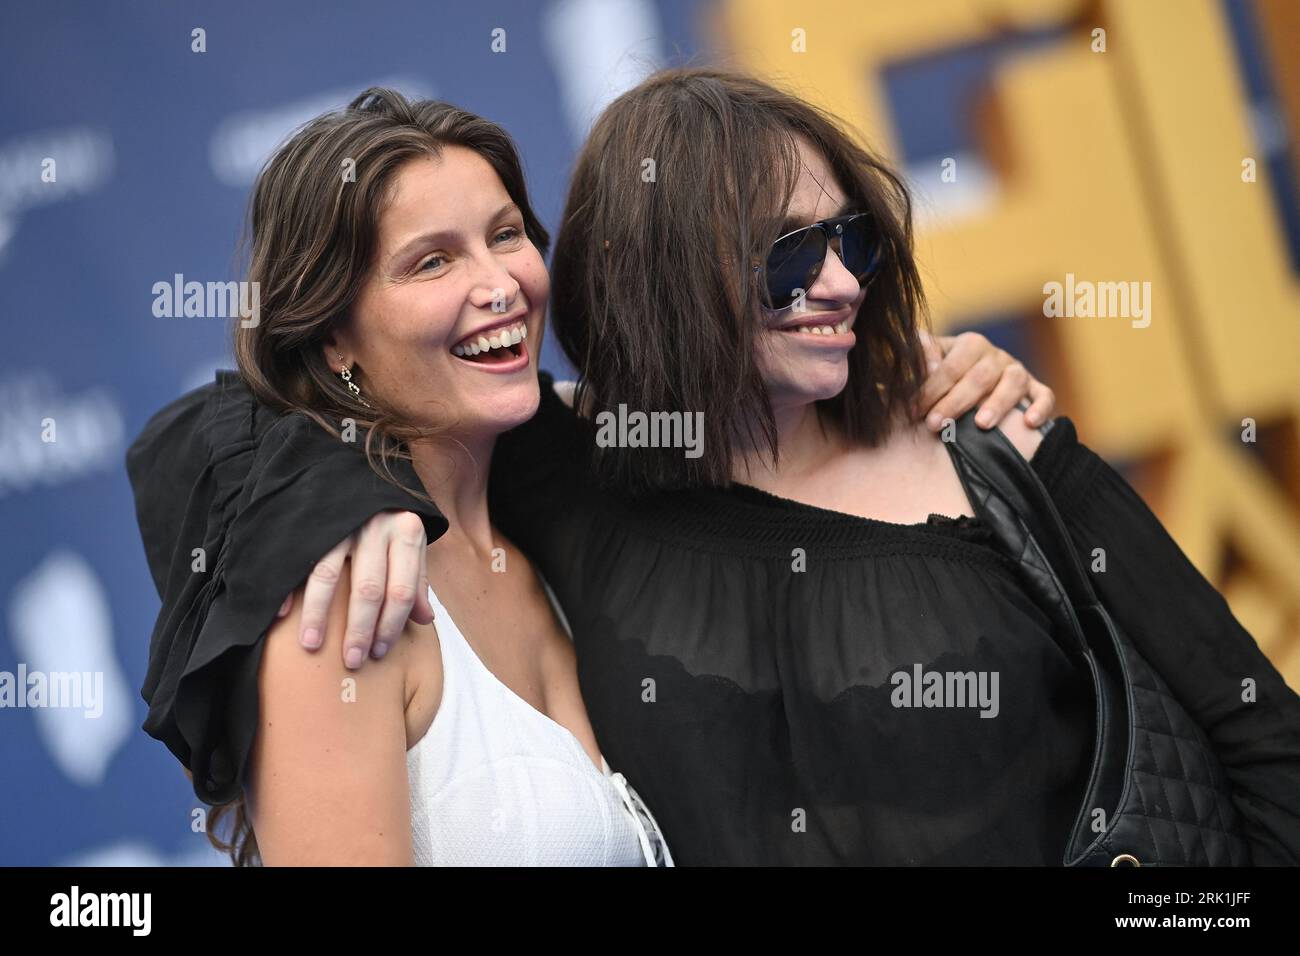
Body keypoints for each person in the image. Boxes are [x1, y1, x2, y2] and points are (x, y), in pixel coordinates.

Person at [130, 89, 679, 866]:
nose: (499, 285)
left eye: (506, 235)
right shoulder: (343, 598)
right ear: (333, 339)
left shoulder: (556, 525)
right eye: (433, 260)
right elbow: (181, 439)